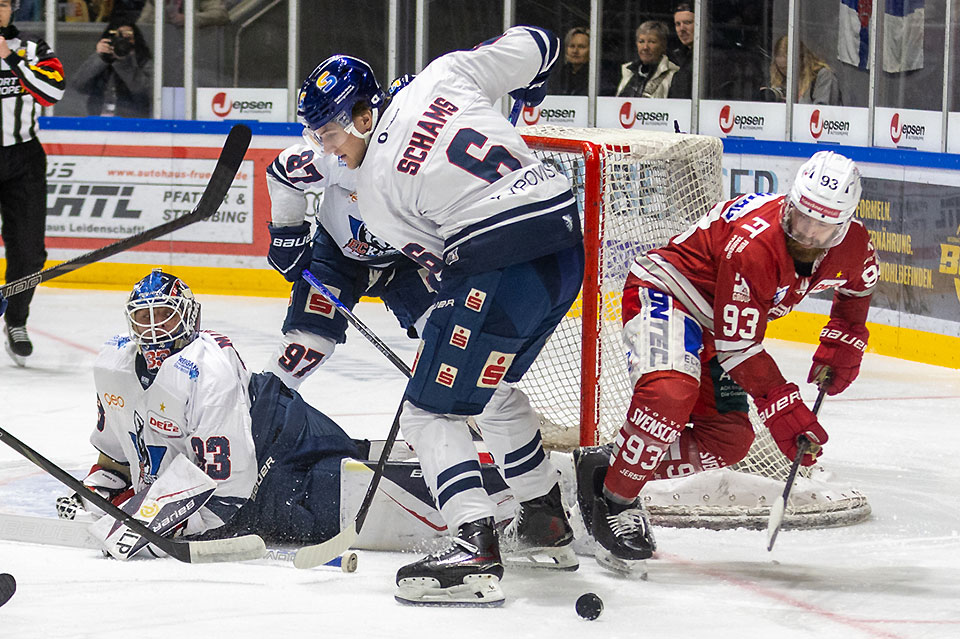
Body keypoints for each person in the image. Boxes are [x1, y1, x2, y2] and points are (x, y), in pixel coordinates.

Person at [296, 26, 585, 606]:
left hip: (497, 260)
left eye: (328, 133)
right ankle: (544, 521)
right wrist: (533, 92)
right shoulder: (443, 74)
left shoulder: (375, 193)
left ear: (359, 117)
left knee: (429, 414)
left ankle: (472, 541)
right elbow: (539, 41)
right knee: (493, 385)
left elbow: (439, 272)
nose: (326, 148)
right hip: (564, 247)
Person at [580, 151, 878, 574]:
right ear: (790, 204)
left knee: (729, 441)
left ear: (844, 226)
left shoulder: (855, 245)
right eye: (800, 219)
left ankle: (608, 464)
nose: (806, 235)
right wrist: (784, 409)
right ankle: (615, 500)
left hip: (719, 325)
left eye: (822, 227)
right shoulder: (755, 244)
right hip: (670, 295)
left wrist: (844, 341)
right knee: (669, 392)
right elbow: (738, 347)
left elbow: (859, 286)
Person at [55, 269, 362, 555]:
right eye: (142, 317)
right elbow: (117, 455)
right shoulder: (114, 365)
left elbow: (229, 493)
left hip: (280, 448)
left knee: (336, 502)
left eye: (164, 316)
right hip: (233, 464)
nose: (152, 328)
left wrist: (171, 526)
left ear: (189, 317)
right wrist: (102, 491)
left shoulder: (209, 372)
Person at [262, 134, 435, 391]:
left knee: (447, 336)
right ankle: (260, 411)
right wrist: (286, 235)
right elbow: (283, 171)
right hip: (335, 257)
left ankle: (475, 414)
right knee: (307, 345)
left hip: (407, 262)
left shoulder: (431, 167)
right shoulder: (339, 156)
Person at [0, 0, 65, 365]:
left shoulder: (33, 48)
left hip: (23, 157)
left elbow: (52, 92)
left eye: (4, 2)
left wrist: (10, 57)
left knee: (28, 250)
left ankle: (16, 320)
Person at [73, 20, 152, 118]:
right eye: (118, 38)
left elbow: (146, 93)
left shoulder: (143, 61)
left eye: (128, 39)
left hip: (132, 124)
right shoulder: (101, 61)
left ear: (136, 42)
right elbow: (78, 85)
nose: (122, 43)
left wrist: (125, 63)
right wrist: (99, 57)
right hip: (98, 121)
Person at [762, 36, 842, 105]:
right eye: (781, 68)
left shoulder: (822, 76)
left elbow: (821, 112)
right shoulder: (780, 77)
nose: (785, 72)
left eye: (787, 67)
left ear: (801, 59)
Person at [616, 21, 678, 99]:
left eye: (652, 42)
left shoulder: (674, 75)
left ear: (663, 45)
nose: (645, 47)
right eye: (641, 41)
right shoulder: (627, 71)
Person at [546, 26, 589, 96]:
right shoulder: (558, 75)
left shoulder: (598, 78)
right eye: (572, 46)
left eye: (581, 47)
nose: (575, 51)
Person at [667, 2, 694, 99]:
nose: (682, 29)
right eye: (678, 24)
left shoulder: (714, 57)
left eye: (687, 23)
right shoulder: (675, 57)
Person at [137, 0, 229, 28]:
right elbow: (143, 25)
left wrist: (188, 19)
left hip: (198, 50)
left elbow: (220, 15)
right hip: (166, 48)